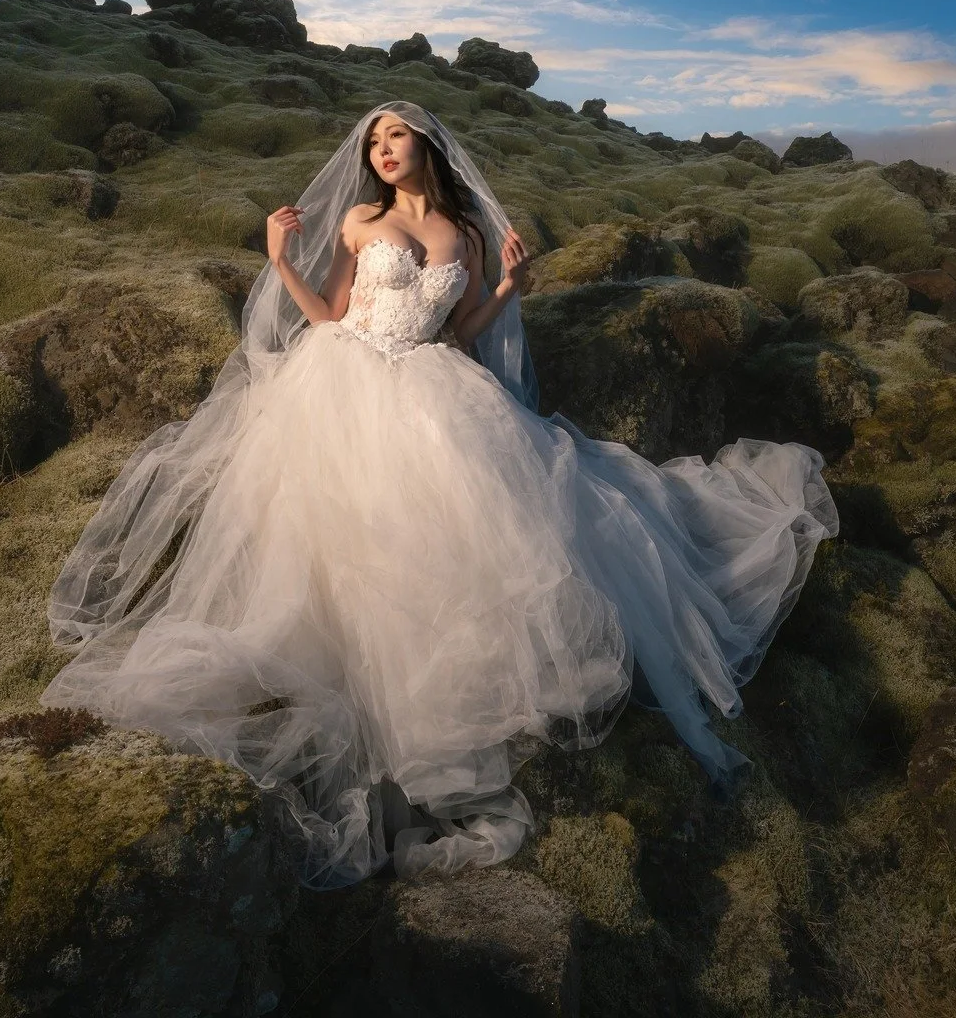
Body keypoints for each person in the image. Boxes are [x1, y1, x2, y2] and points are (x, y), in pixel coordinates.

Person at [43, 100, 838, 887]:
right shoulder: (358, 219)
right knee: (357, 542)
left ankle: (456, 698)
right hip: (347, 380)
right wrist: (281, 260)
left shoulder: (463, 235)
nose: (383, 149)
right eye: (375, 140)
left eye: (397, 136)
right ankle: (363, 697)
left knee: (494, 532)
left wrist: (512, 285)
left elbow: (461, 334)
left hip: (435, 384)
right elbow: (326, 313)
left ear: (428, 146)